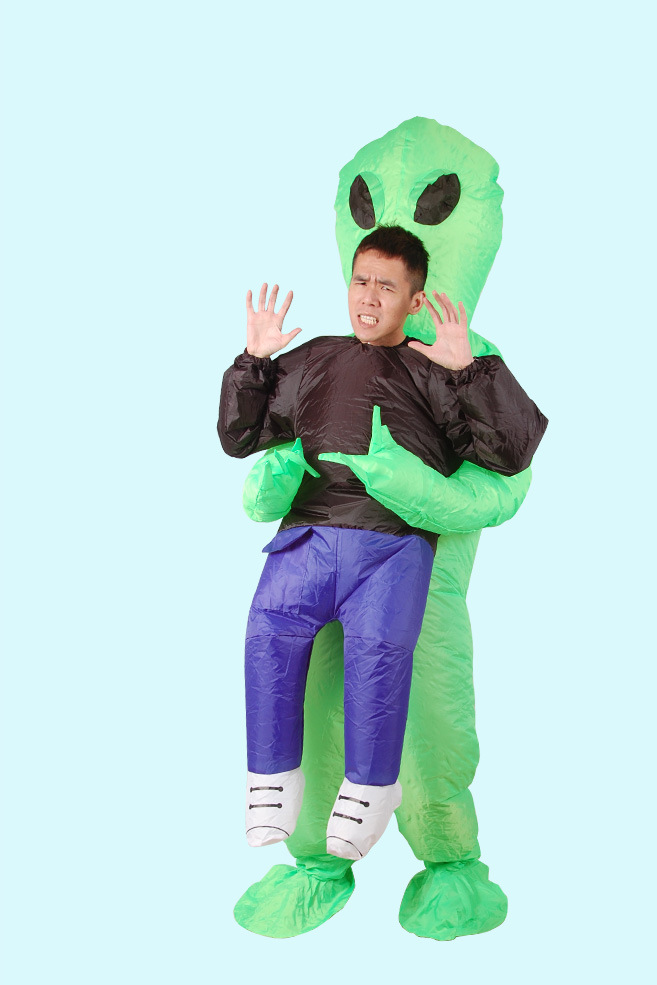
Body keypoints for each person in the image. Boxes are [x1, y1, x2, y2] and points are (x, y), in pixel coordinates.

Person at [218, 224, 547, 861]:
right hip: (306, 538)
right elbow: (239, 436)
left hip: (392, 546)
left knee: (378, 657)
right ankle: (269, 778)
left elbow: (510, 452)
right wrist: (253, 362)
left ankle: (372, 787)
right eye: (361, 281)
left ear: (414, 300)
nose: (368, 296)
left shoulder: (433, 371)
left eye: (386, 287)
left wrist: (470, 373)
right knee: (267, 634)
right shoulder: (314, 359)